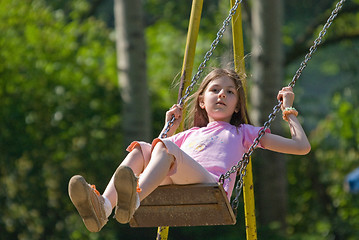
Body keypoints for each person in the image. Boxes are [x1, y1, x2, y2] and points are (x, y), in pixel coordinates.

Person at [68, 68, 311, 232]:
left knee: (165, 148)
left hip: (210, 184)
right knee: (142, 149)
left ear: (237, 106)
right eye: (215, 90)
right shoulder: (187, 135)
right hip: (174, 177)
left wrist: (287, 111)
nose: (222, 95)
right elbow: (157, 154)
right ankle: (103, 208)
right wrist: (168, 127)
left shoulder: (243, 132)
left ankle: (135, 197)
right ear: (202, 101)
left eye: (230, 92)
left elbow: (301, 147)